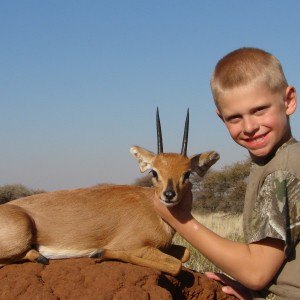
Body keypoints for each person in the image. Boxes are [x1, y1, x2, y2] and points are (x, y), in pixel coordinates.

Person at [153, 47, 299, 299]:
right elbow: (266, 269)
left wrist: (179, 219)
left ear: (288, 101)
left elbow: (256, 271)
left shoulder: (282, 170)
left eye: (260, 109)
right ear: (221, 118)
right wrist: (257, 289)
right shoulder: (276, 162)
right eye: (235, 118)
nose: (250, 126)